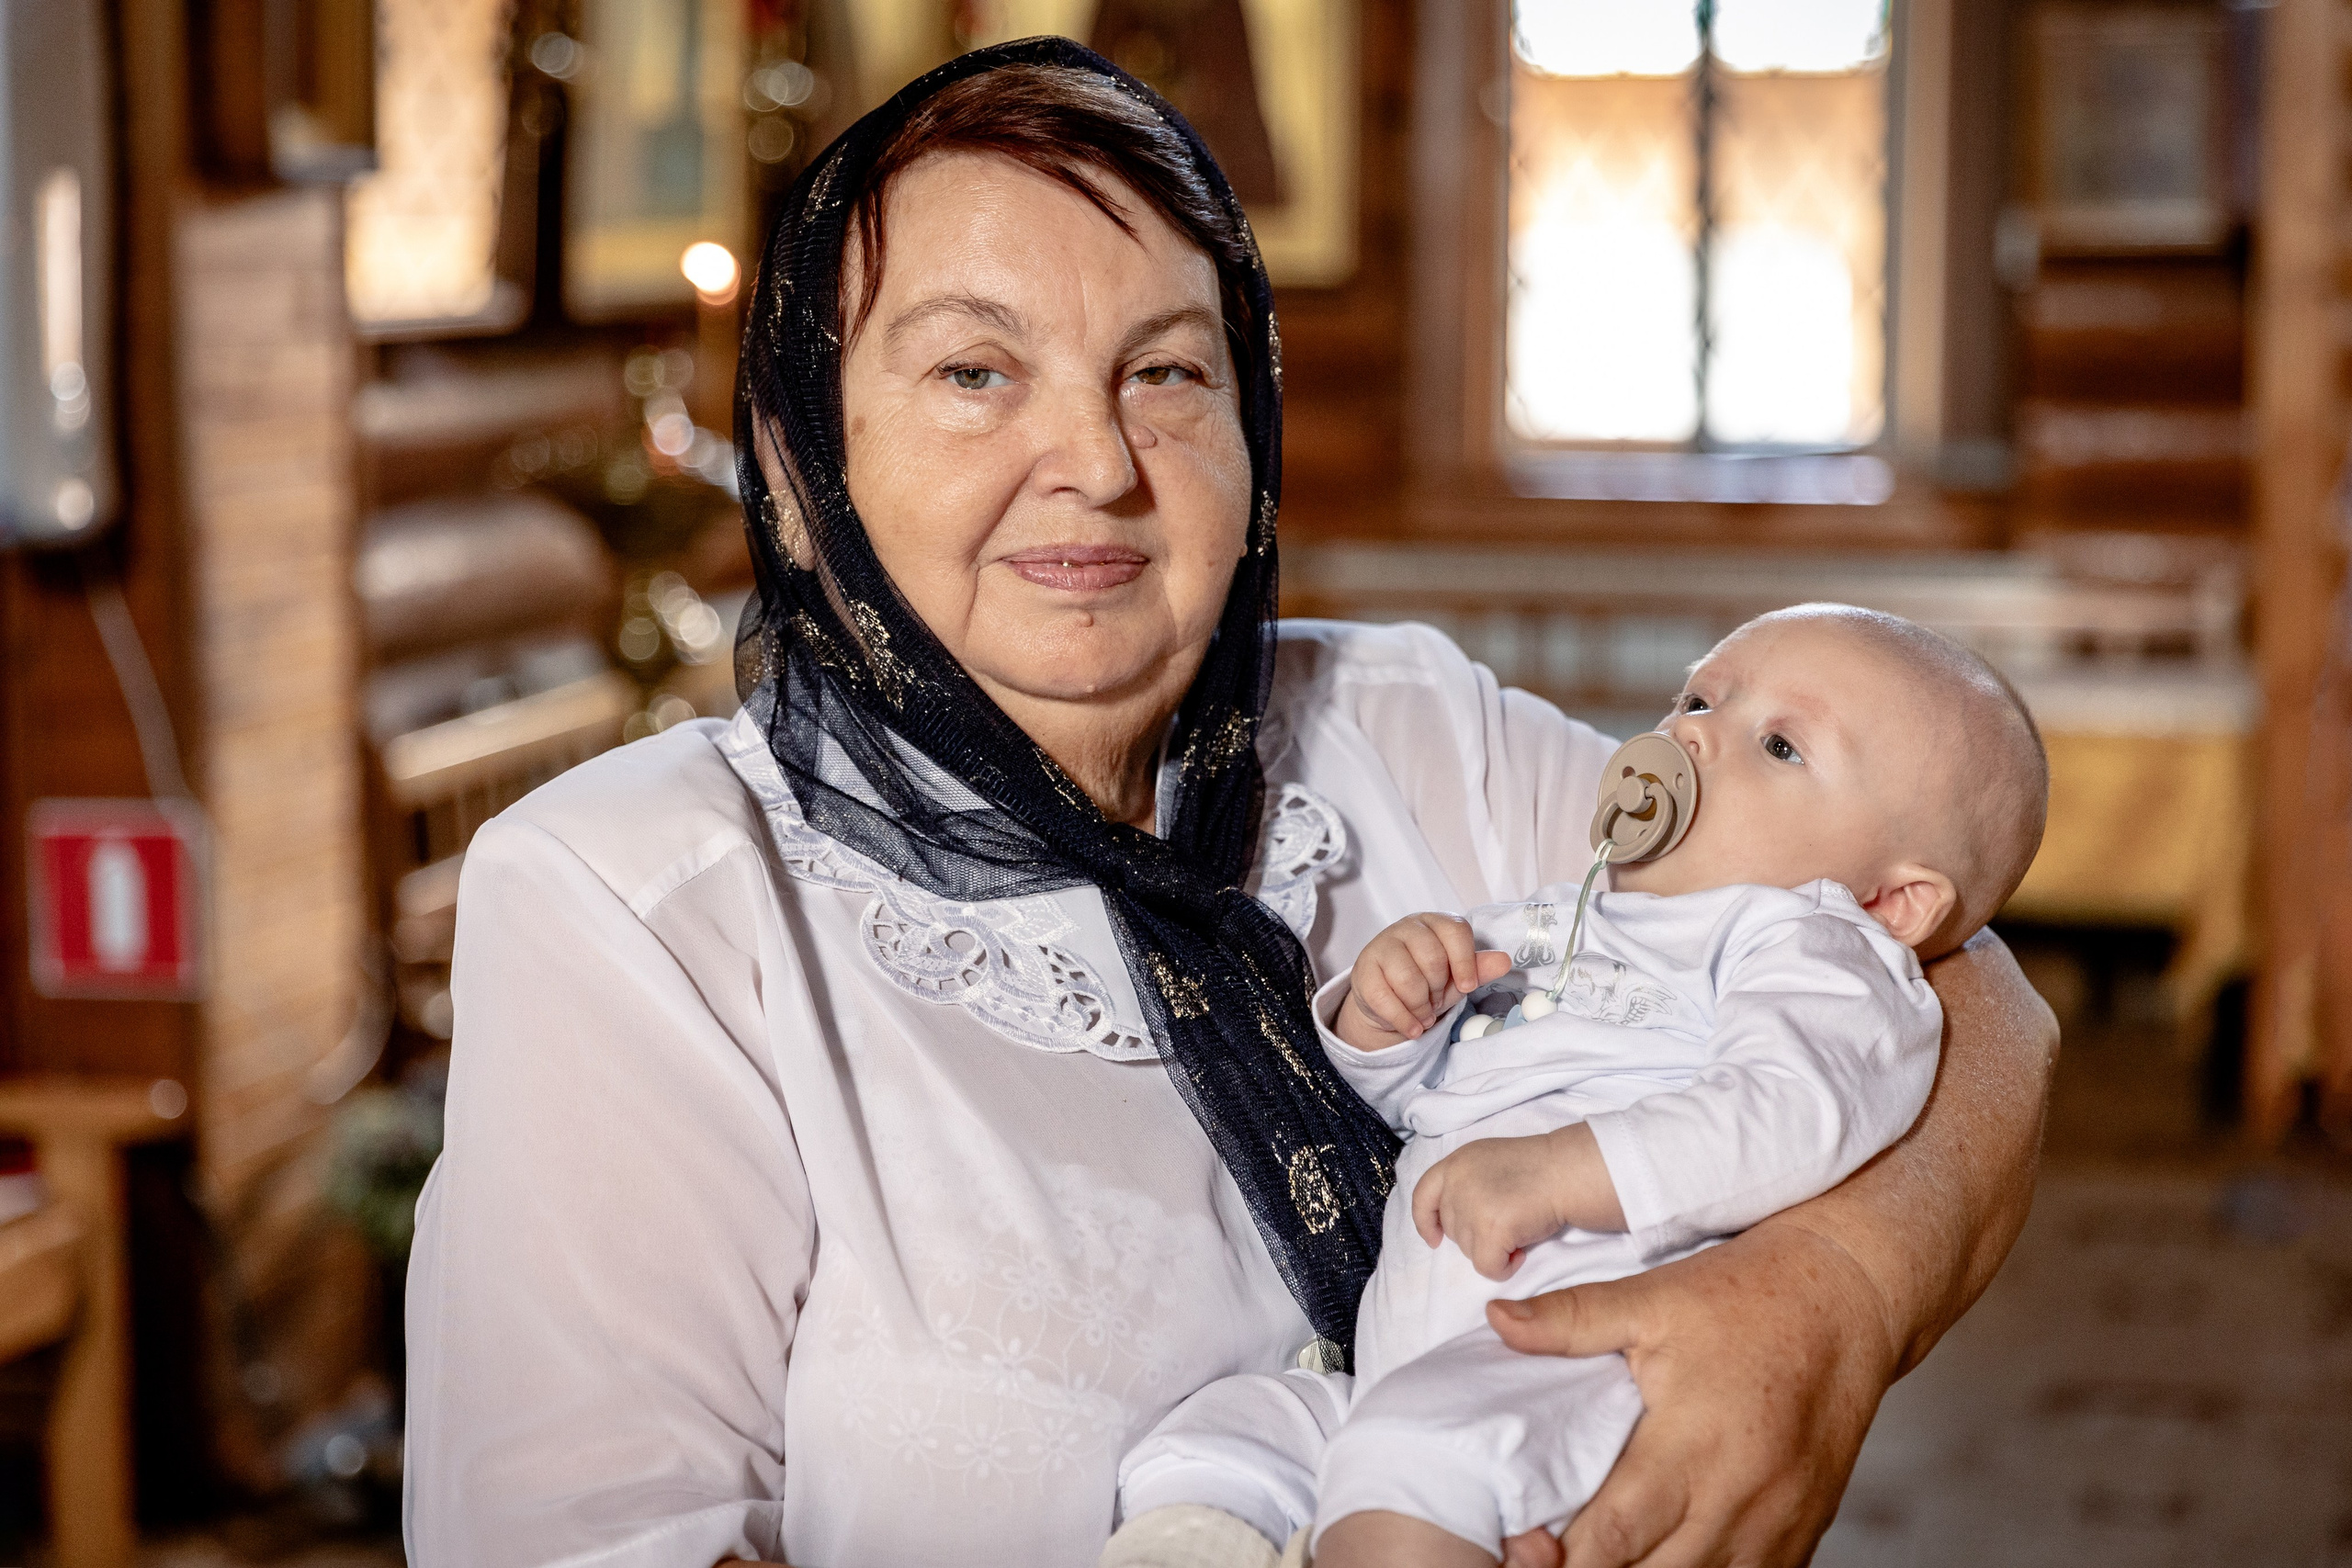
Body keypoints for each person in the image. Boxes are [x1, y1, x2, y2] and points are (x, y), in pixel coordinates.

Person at [401, 39, 2058, 1568]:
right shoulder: (640, 898)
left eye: (1168, 372)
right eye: (975, 371)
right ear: (797, 458)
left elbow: (1959, 976)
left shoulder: (1401, 731)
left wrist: (1827, 1296)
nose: (1098, 464)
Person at [1106, 607, 2049, 1567]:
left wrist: (1567, 1172)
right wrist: (1384, 1022)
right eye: (1697, 697)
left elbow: (1792, 1111)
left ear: (1890, 902)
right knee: (1226, 1434)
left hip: (1575, 1359)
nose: (1687, 735)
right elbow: (1421, 1104)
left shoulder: (1810, 949)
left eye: (1777, 744)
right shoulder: (1567, 911)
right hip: (1411, 1357)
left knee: (1416, 1458)